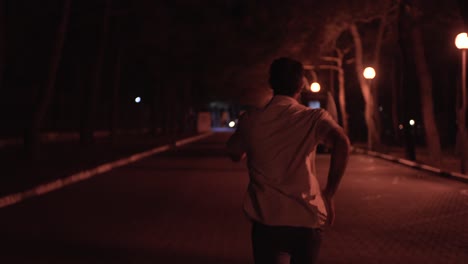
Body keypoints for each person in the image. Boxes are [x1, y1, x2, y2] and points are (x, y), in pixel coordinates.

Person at [227, 57, 350, 264]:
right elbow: (342, 144)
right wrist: (329, 193)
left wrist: (248, 135)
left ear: (271, 83)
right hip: (306, 220)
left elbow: (234, 153)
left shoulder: (251, 120)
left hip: (267, 221)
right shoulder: (314, 118)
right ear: (301, 84)